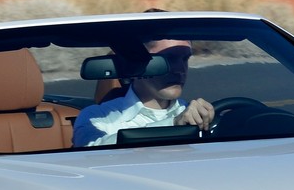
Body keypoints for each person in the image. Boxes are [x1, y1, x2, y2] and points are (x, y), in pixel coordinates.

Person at [72, 37, 215, 147]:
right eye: (168, 59)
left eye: (185, 58)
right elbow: (90, 150)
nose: (179, 69)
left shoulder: (195, 115)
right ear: (136, 62)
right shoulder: (95, 117)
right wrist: (173, 126)